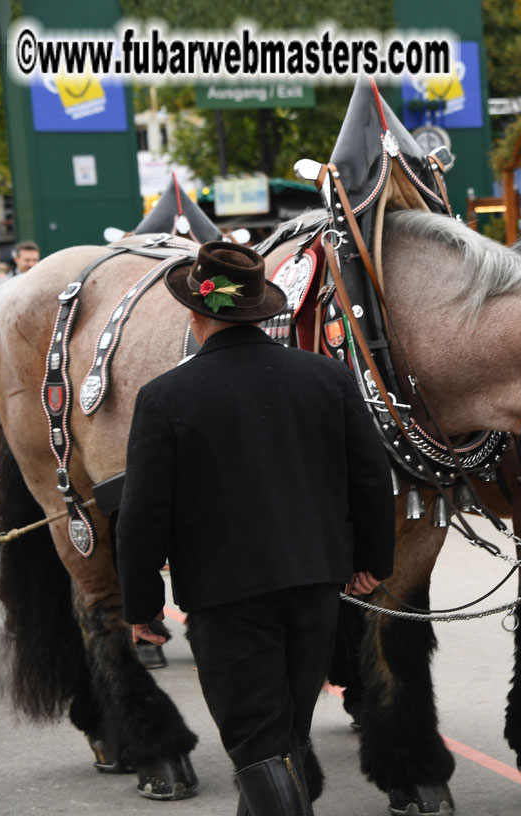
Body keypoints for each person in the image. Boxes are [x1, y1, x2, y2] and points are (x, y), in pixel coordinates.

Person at [117, 242, 398, 814]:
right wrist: (372, 561)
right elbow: (371, 479)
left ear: (196, 315)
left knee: (257, 742)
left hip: (226, 595)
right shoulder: (326, 376)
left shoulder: (165, 396)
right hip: (316, 583)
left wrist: (140, 605)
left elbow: (143, 513)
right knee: (286, 731)